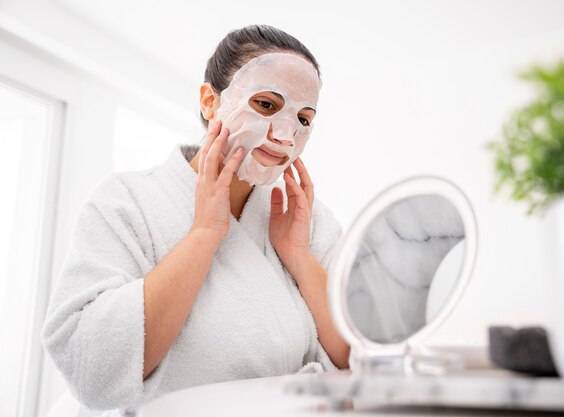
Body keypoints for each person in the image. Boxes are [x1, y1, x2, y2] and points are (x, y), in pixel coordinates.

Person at [41, 24, 350, 415]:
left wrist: (300, 256)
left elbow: (357, 357)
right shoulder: (127, 201)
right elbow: (91, 366)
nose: (286, 136)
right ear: (209, 101)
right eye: (267, 105)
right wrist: (204, 234)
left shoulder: (305, 219)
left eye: (304, 119)